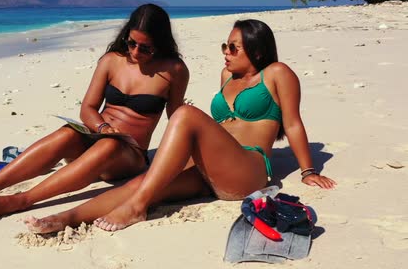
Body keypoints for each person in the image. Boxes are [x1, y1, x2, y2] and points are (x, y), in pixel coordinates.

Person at [25, 19, 336, 233]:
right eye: (224, 46)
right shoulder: (226, 76)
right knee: (143, 184)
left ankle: (137, 209)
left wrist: (309, 171)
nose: (225, 53)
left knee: (184, 117)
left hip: (247, 168)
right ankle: (65, 218)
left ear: (256, 51)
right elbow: (221, 128)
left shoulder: (278, 73)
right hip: (212, 165)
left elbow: (293, 124)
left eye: (233, 48)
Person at [0, 4, 189, 220]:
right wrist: (103, 128)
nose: (136, 52)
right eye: (131, 43)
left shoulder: (174, 71)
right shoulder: (111, 60)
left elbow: (176, 119)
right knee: (67, 133)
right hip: (97, 136)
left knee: (110, 146)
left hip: (129, 156)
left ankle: (22, 200)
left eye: (145, 48)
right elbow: (88, 108)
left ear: (160, 44)